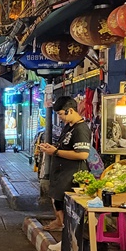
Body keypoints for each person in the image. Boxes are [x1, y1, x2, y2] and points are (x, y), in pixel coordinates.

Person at [38, 96, 91, 232]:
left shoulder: (81, 129)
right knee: (57, 199)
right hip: (62, 171)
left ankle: (66, 231)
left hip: (72, 173)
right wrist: (52, 148)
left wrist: (56, 152)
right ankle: (59, 222)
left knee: (64, 202)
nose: (60, 117)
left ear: (70, 111)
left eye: (61, 114)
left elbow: (83, 154)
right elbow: (64, 147)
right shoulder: (69, 126)